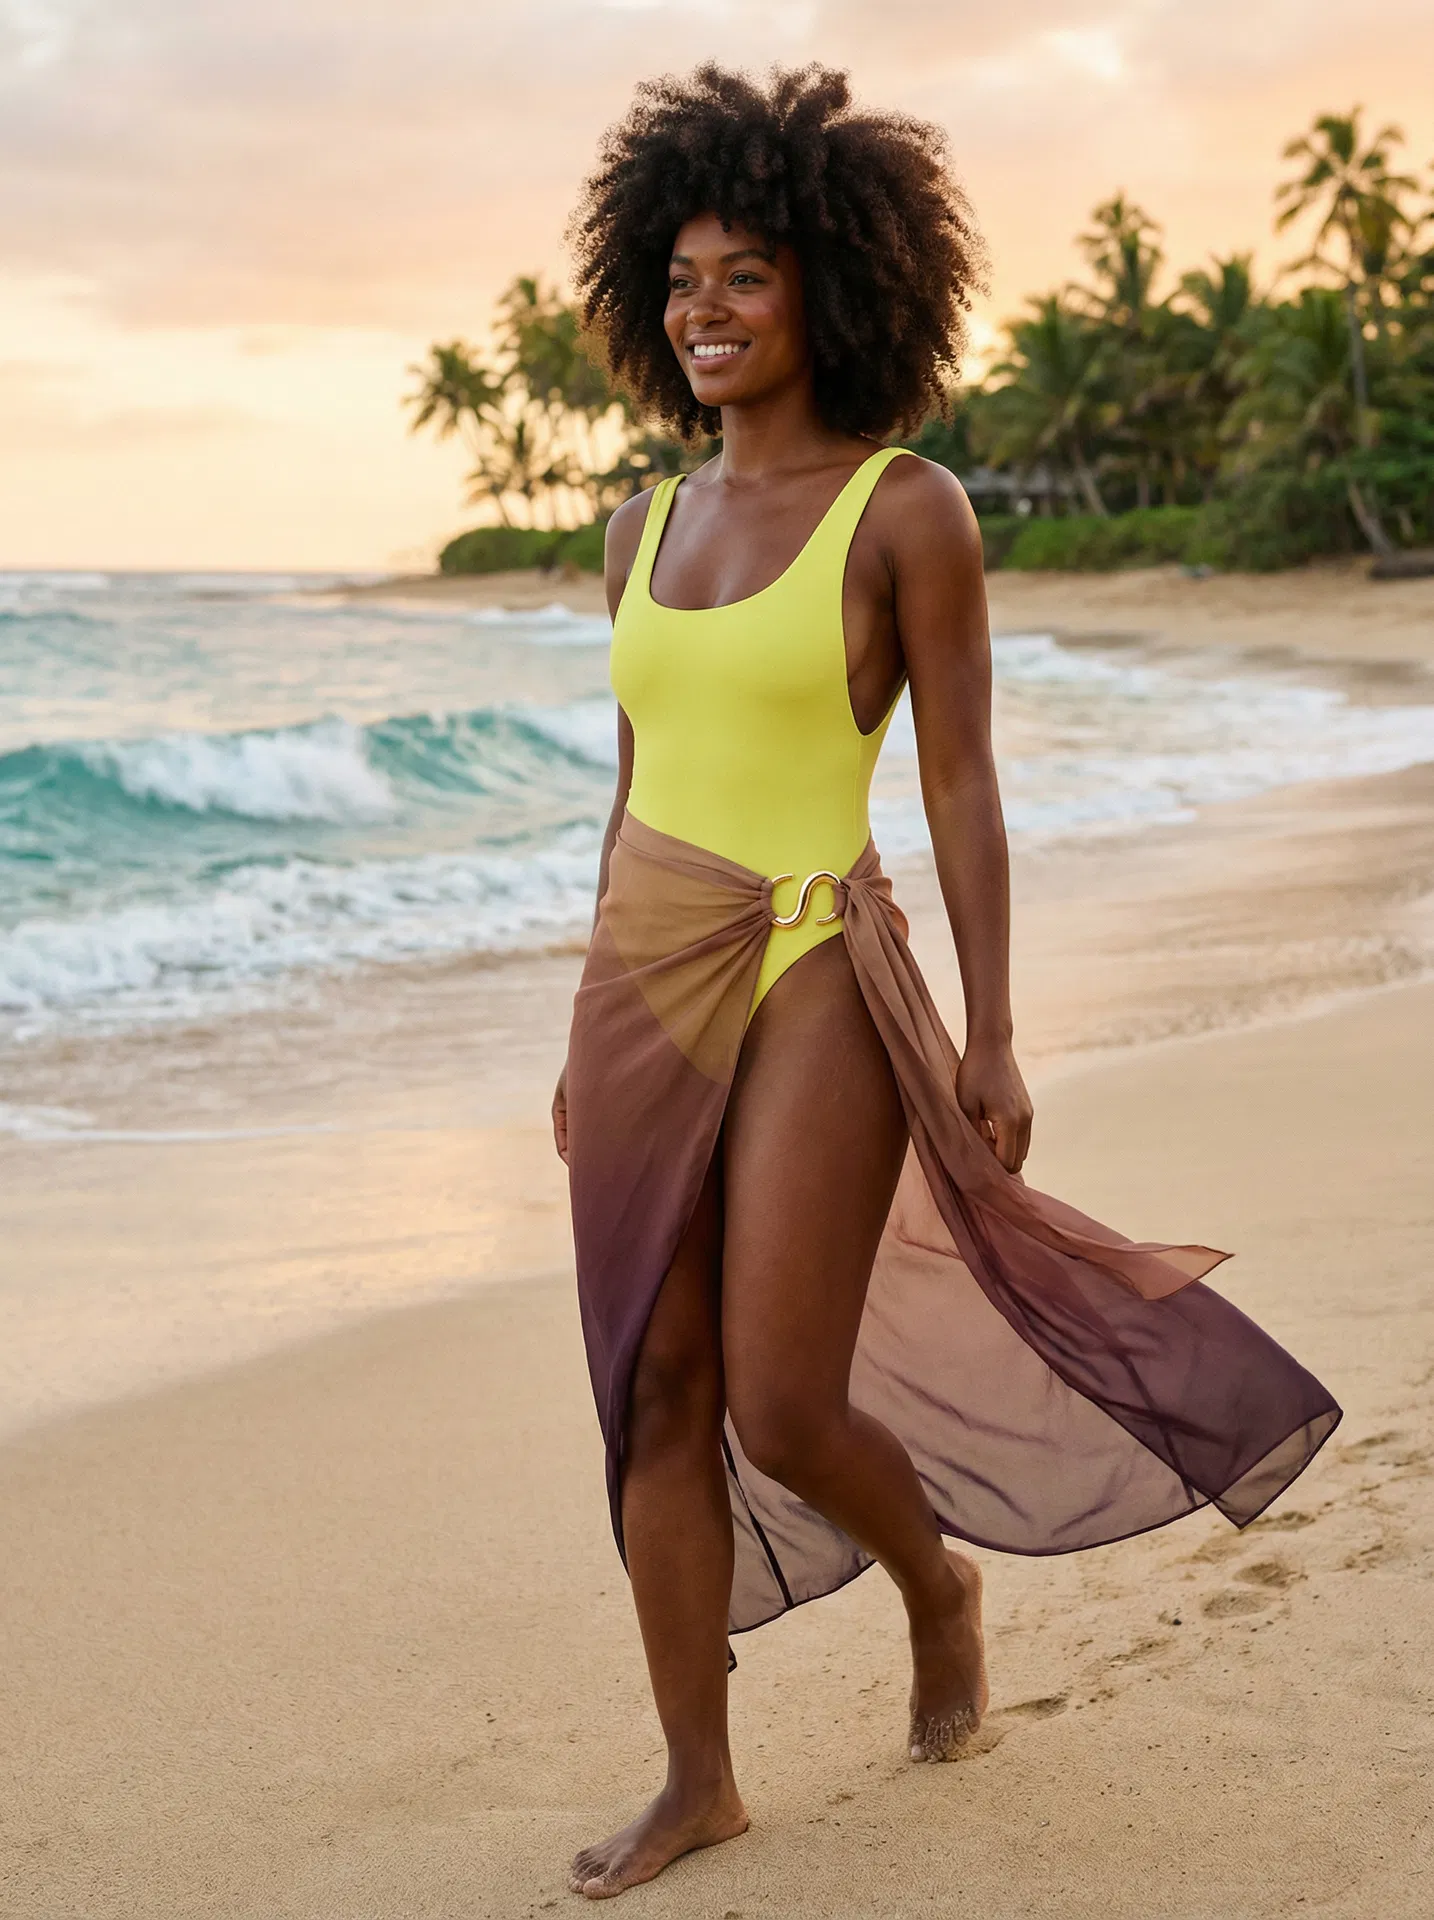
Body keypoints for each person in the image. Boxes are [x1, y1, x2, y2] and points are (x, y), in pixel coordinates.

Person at [552, 63, 1339, 1902]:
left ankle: (936, 1587)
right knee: (651, 1390)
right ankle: (696, 1781)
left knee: (777, 1401)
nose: (706, 308)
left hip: (816, 963)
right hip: (640, 982)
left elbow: (960, 782)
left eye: (747, 274)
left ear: (829, 285)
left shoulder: (904, 511)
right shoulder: (636, 531)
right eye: (681, 279)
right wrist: (581, 1035)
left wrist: (990, 1026)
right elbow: (631, 790)